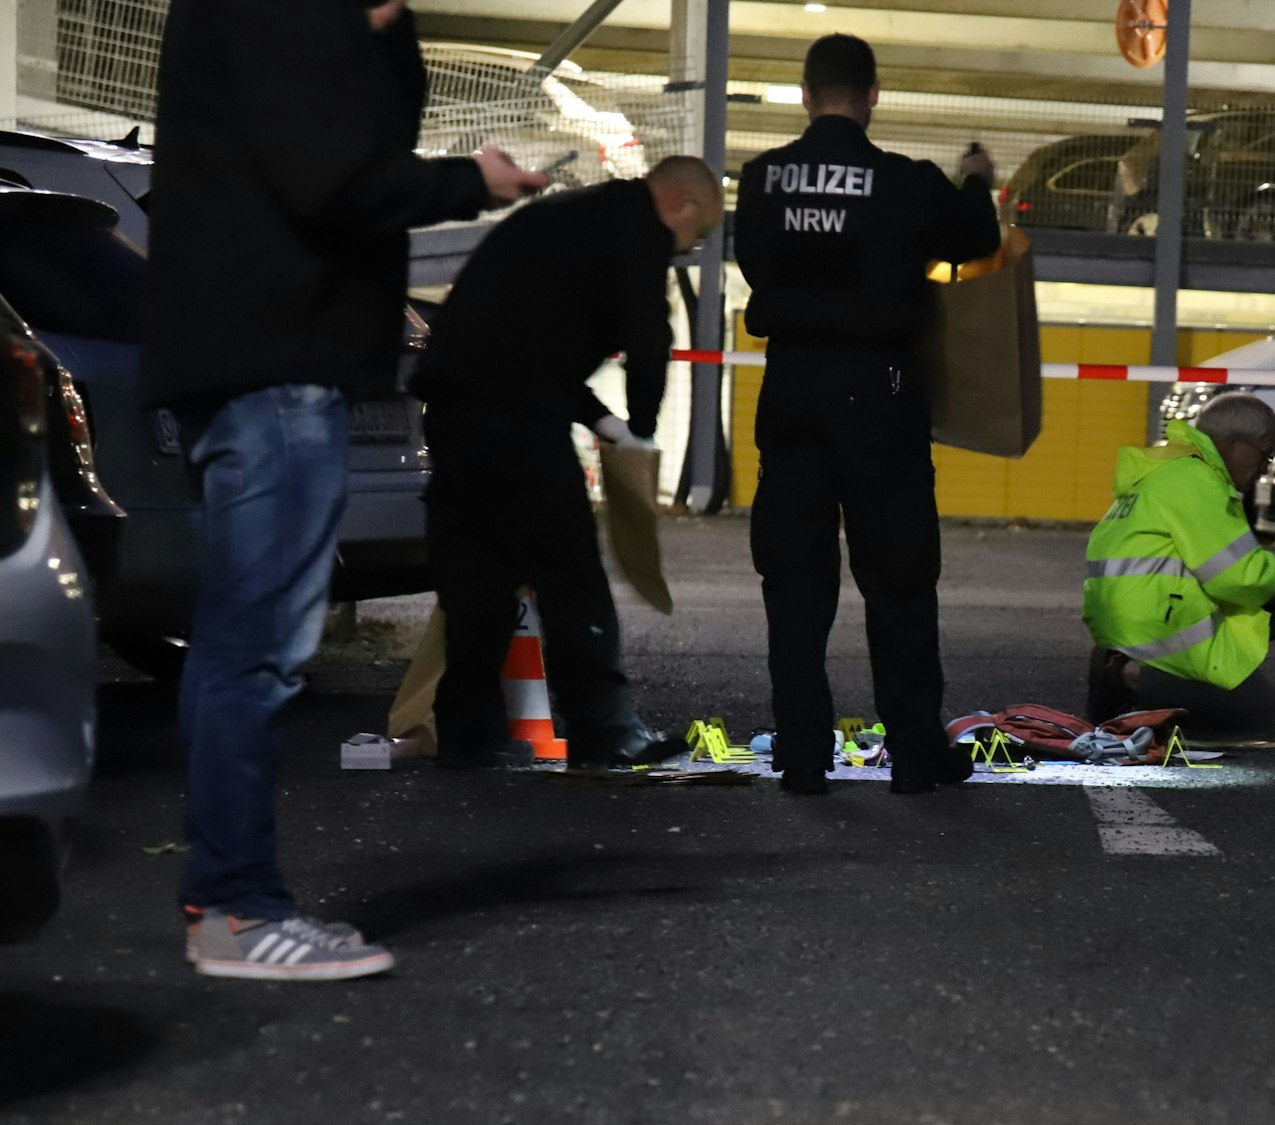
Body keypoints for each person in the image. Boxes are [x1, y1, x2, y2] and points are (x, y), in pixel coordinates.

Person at [143, 0, 545, 979]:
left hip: (249, 360)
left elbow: (332, 139)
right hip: (276, 364)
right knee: (257, 651)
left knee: (236, 646)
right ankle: (237, 911)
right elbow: (332, 171)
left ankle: (226, 898)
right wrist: (472, 181)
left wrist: (380, 31)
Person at [734, 34, 1001, 795]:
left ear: (805, 94)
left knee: (793, 578)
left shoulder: (761, 179)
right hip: (878, 391)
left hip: (789, 385)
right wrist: (975, 181)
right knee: (900, 578)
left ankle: (804, 755)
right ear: (873, 95)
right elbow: (976, 240)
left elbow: (754, 263)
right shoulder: (905, 182)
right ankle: (915, 754)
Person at [412, 157, 725, 771]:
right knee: (571, 573)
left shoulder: (570, 216)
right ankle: (603, 729)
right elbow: (647, 338)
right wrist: (640, 428)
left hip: (454, 404)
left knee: (480, 575)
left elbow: (527, 341)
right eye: (699, 234)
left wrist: (601, 421)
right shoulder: (638, 231)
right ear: (683, 205)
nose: (688, 247)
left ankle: (469, 734)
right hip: (515, 420)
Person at [1082, 394, 1275, 733]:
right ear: (1237, 444)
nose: (1264, 468)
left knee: (1269, 613)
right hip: (1157, 633)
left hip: (1134, 623)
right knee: (1259, 712)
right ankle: (1130, 678)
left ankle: (1127, 673)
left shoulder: (1169, 472)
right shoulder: (1198, 481)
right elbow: (1238, 576)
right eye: (1265, 454)